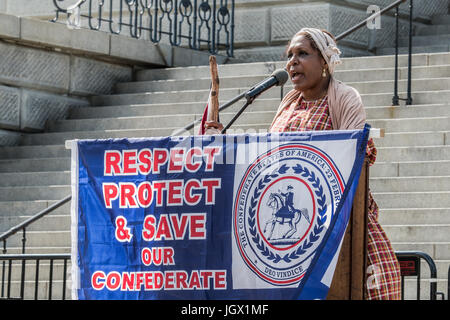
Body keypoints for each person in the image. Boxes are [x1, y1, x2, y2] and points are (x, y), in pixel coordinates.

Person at [204, 27, 402, 300]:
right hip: (290, 237)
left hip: (337, 220)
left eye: (302, 54)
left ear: (324, 61)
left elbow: (353, 156)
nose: (292, 62)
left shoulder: (344, 97)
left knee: (380, 284)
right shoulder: (288, 103)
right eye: (290, 55)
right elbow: (267, 159)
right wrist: (224, 143)